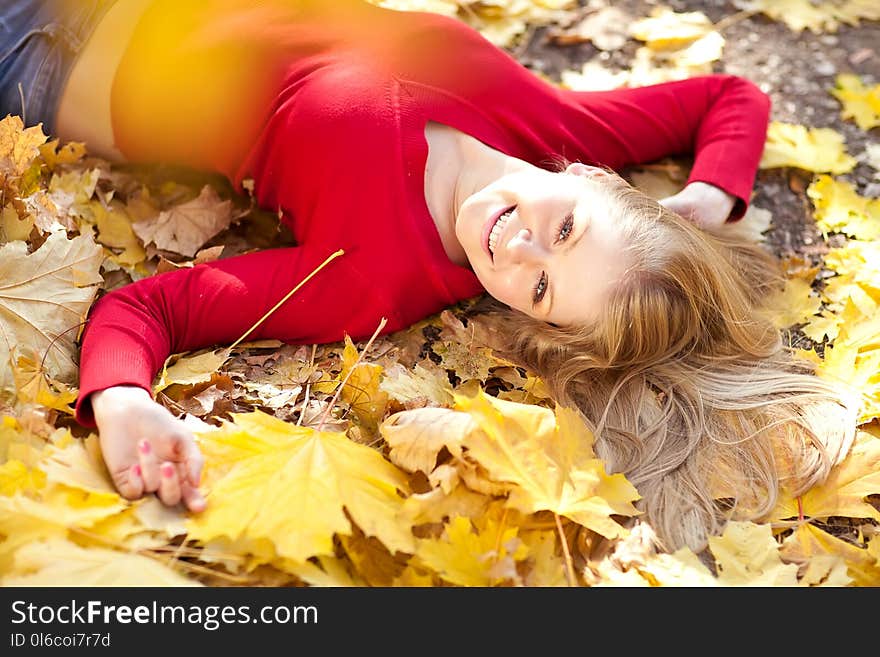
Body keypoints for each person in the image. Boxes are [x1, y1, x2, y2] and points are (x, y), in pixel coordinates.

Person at [2, 0, 859, 553]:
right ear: (593, 177)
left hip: (41, 55)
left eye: (541, 287)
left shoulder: (372, 280)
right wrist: (711, 197)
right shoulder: (547, 122)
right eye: (564, 228)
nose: (518, 246)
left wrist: (122, 400)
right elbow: (729, 95)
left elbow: (150, 306)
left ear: (531, 320)